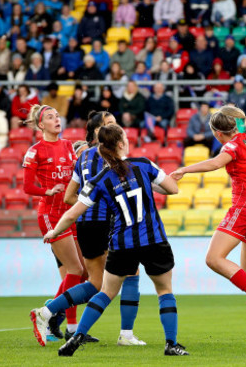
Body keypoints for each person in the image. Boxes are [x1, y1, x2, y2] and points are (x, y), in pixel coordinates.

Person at [35, 124, 188, 357]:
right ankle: (171, 344)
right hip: (153, 239)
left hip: (122, 244)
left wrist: (54, 232)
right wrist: (156, 184)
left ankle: (76, 338)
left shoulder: (100, 180)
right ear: (120, 144)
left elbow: (73, 212)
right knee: (164, 290)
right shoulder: (144, 165)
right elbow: (172, 189)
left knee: (105, 292)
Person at [31, 112, 146, 347]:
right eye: (111, 124)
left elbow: (70, 196)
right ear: (99, 131)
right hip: (108, 223)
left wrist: (89, 207)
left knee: (95, 283)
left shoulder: (81, 158)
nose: (117, 128)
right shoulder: (110, 156)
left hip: (85, 224)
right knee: (131, 273)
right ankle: (126, 334)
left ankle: (47, 311)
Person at [171, 106, 246, 351]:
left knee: (213, 258)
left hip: (245, 207)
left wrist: (184, 169)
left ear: (219, 133)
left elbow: (215, 164)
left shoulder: (231, 146)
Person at [23, 105, 89, 345]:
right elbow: (27, 187)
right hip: (51, 214)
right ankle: (53, 318)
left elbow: (75, 176)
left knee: (81, 271)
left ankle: (53, 314)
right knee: (75, 270)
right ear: (41, 125)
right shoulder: (35, 151)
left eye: (57, 116)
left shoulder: (69, 146)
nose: (56, 120)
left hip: (70, 212)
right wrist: (47, 190)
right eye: (50, 117)